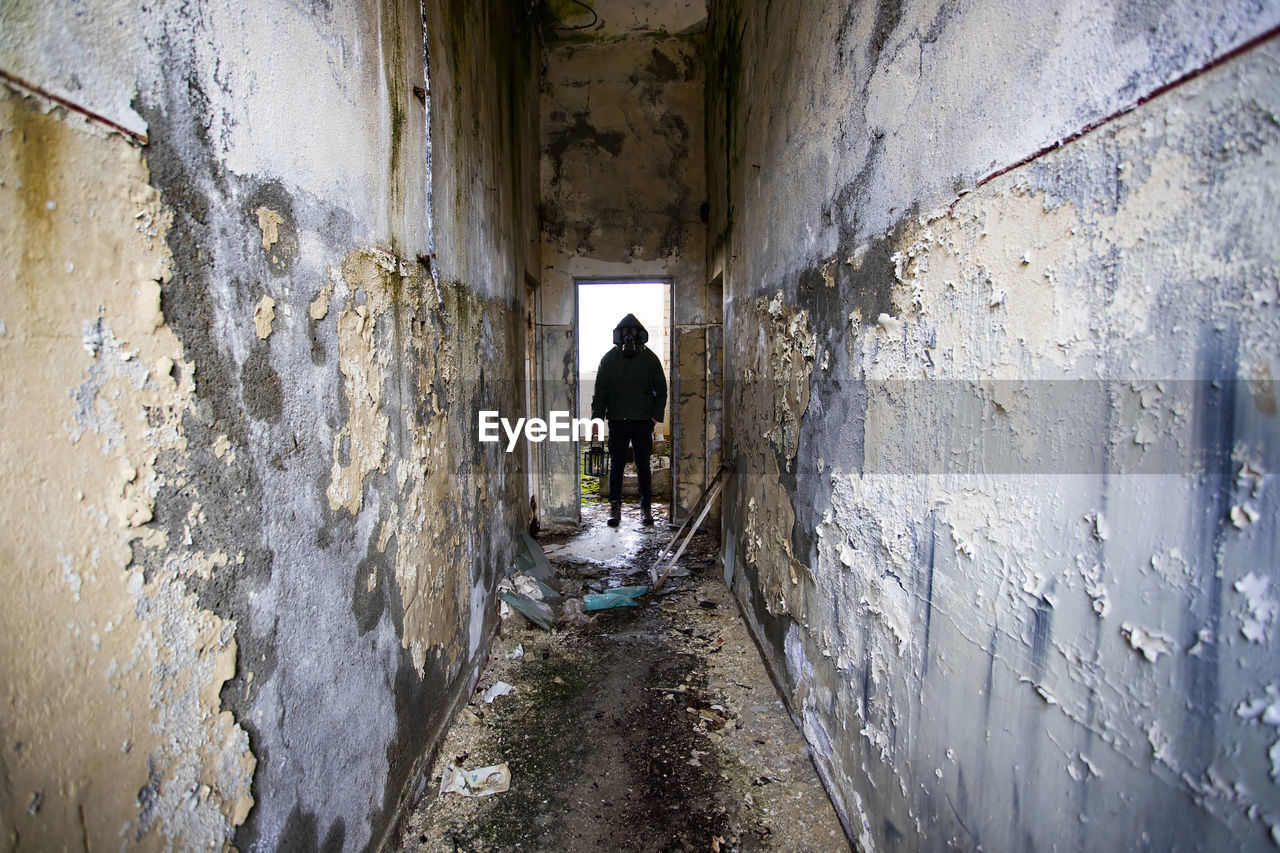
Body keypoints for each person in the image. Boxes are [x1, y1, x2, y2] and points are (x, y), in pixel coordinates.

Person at [591, 313, 667, 527]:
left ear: (639, 334)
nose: (629, 336)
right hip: (617, 421)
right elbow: (600, 393)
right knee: (616, 465)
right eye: (625, 332)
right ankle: (615, 508)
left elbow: (661, 391)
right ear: (619, 335)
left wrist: (654, 417)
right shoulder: (609, 360)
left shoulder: (650, 359)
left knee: (643, 465)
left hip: (643, 422)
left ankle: (646, 508)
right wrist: (596, 419)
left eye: (632, 332)